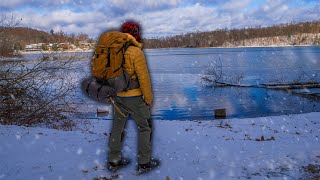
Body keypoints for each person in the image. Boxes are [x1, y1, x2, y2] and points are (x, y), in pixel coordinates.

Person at [107, 21, 160, 174]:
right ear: (135, 34)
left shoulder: (113, 51)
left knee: (117, 128)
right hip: (134, 97)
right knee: (145, 127)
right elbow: (144, 78)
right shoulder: (136, 52)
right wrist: (148, 99)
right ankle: (144, 163)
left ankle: (114, 161)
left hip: (117, 96)